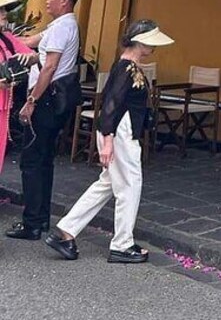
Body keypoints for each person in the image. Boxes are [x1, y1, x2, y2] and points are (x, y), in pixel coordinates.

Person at [44, 20, 174, 263]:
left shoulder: (127, 65)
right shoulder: (126, 68)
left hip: (119, 130)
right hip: (121, 131)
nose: (153, 49)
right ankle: (122, 244)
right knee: (129, 186)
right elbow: (111, 104)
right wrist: (108, 140)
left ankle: (65, 231)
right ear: (140, 42)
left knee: (106, 185)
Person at [6, 0, 81, 241]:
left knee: (32, 160)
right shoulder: (58, 26)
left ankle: (33, 223)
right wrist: (5, 32)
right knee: (43, 159)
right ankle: (40, 217)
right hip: (51, 101)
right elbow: (29, 44)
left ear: (65, 1)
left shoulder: (63, 28)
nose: (47, 0)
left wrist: (31, 101)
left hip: (46, 101)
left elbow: (49, 67)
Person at [0, 0, 34, 176]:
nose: (5, 15)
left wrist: (27, 58)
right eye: (1, 11)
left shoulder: (6, 39)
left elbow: (33, 56)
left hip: (4, 106)